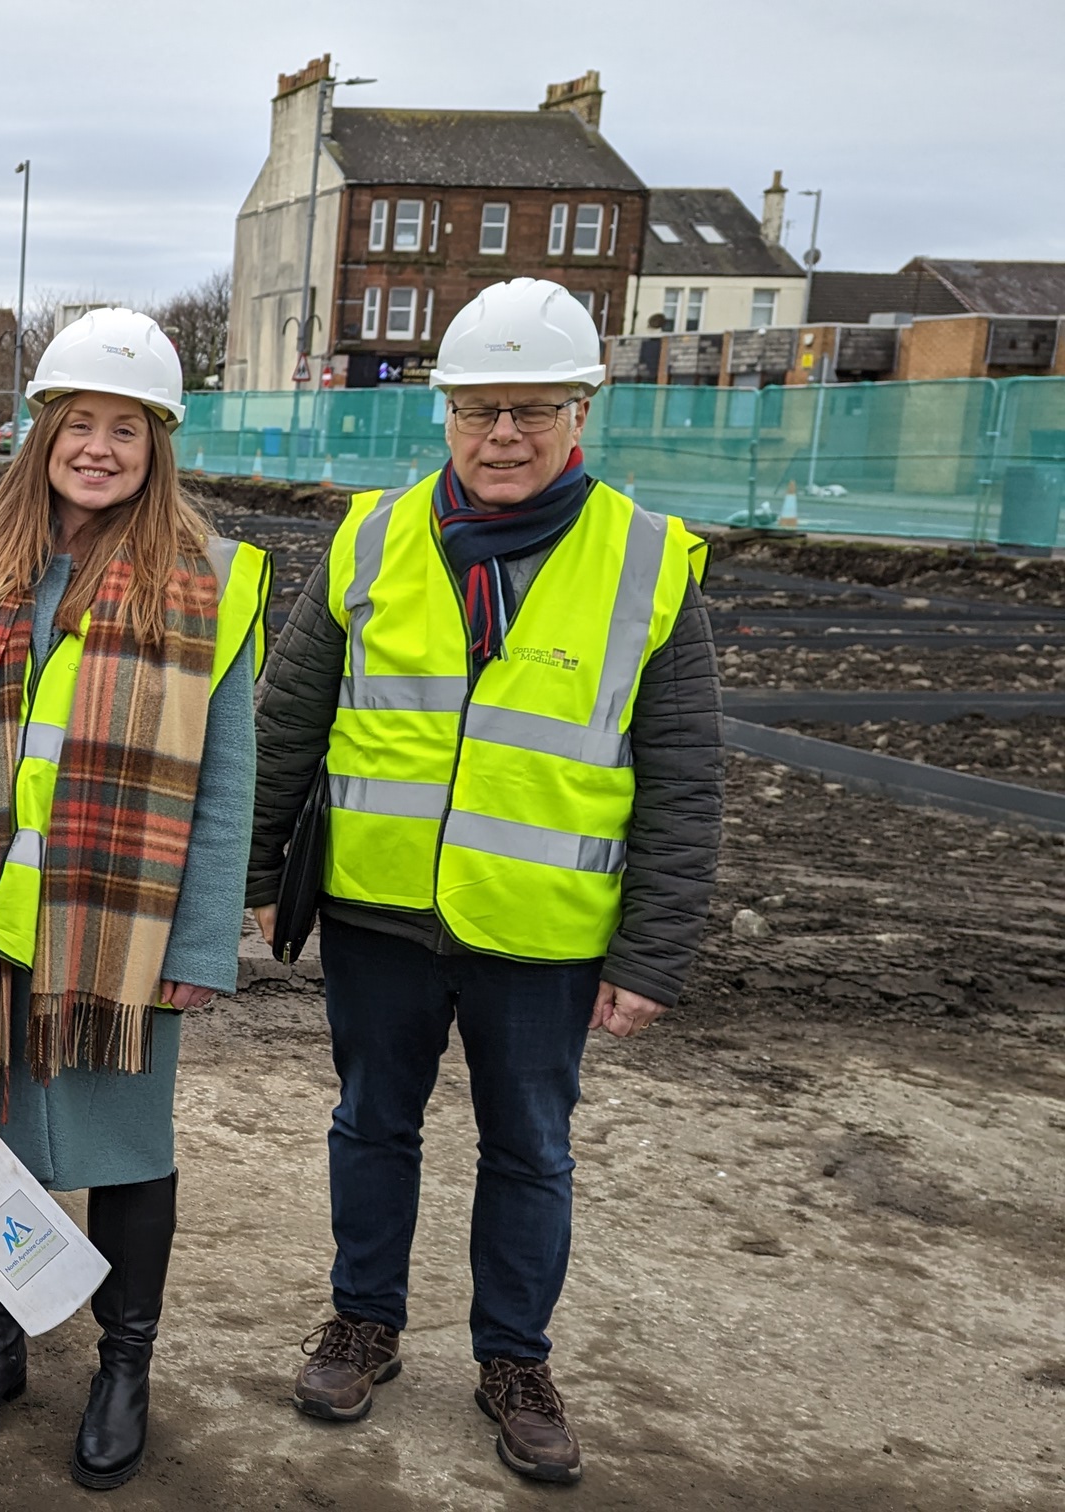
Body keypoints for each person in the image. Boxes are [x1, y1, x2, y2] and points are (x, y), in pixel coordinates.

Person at [247, 277, 721, 1484]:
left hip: (544, 933)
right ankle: (366, 1321)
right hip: (380, 913)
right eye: (478, 410)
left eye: (531, 409)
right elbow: (288, 720)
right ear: (444, 413)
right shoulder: (369, 540)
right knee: (371, 1125)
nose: (502, 435)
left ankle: (515, 1357)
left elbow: (682, 779)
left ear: (580, 415)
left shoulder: (648, 563)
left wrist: (652, 953)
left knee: (531, 1151)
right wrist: (255, 876)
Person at [0, 308, 268, 1490]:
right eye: (79, 423)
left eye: (127, 428)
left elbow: (228, 778)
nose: (99, 447)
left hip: (117, 933)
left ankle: (123, 1363)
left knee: (124, 1151)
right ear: (41, 431)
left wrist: (201, 940)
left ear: (158, 444)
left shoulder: (212, 581)